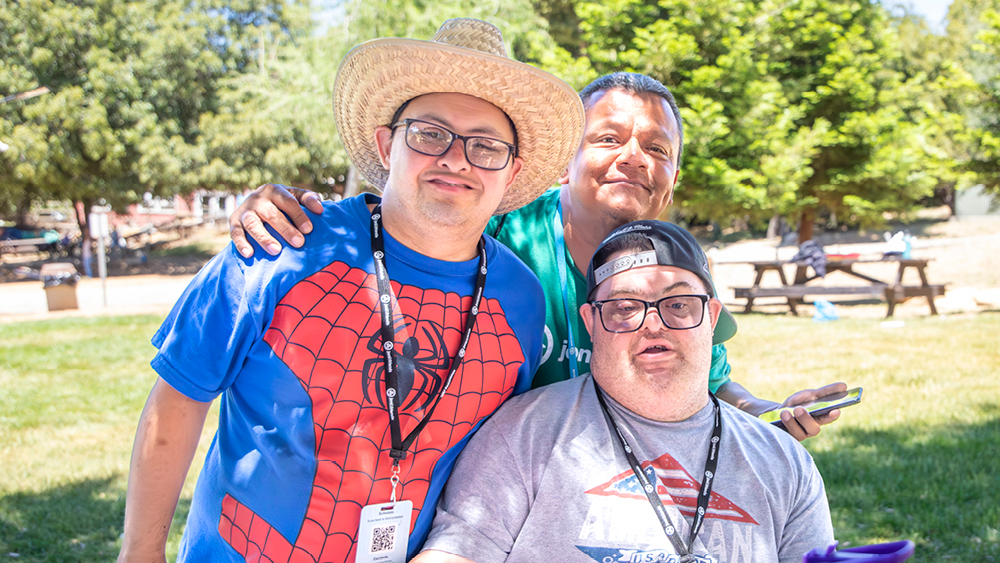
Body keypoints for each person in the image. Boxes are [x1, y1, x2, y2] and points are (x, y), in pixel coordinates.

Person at [117, 18, 585, 563]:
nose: (456, 159)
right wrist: (140, 553)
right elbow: (178, 400)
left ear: (512, 171)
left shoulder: (522, 302)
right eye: (430, 134)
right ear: (387, 144)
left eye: (486, 146)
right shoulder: (282, 245)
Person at [228, 72, 845, 441]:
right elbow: (406, 217)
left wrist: (767, 412)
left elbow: (709, 381)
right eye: (608, 138)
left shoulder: (678, 263)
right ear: (565, 157)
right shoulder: (498, 229)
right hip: (472, 491)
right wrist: (279, 204)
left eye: (657, 148)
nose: (634, 157)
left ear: (674, 176)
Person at [414, 221, 835, 562]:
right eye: (625, 307)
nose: (653, 324)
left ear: (712, 317)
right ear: (591, 322)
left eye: (678, 304)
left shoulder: (784, 464)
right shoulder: (520, 435)